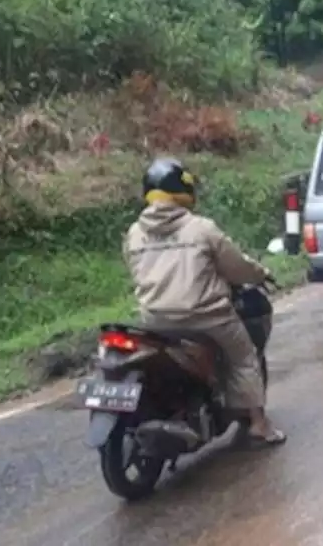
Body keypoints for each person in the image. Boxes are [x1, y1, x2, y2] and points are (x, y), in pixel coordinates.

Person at [123, 158, 285, 446]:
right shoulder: (201, 228)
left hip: (154, 322)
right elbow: (236, 267)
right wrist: (261, 274)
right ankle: (259, 424)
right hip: (206, 318)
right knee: (244, 356)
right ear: (182, 190)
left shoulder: (135, 232)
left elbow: (134, 269)